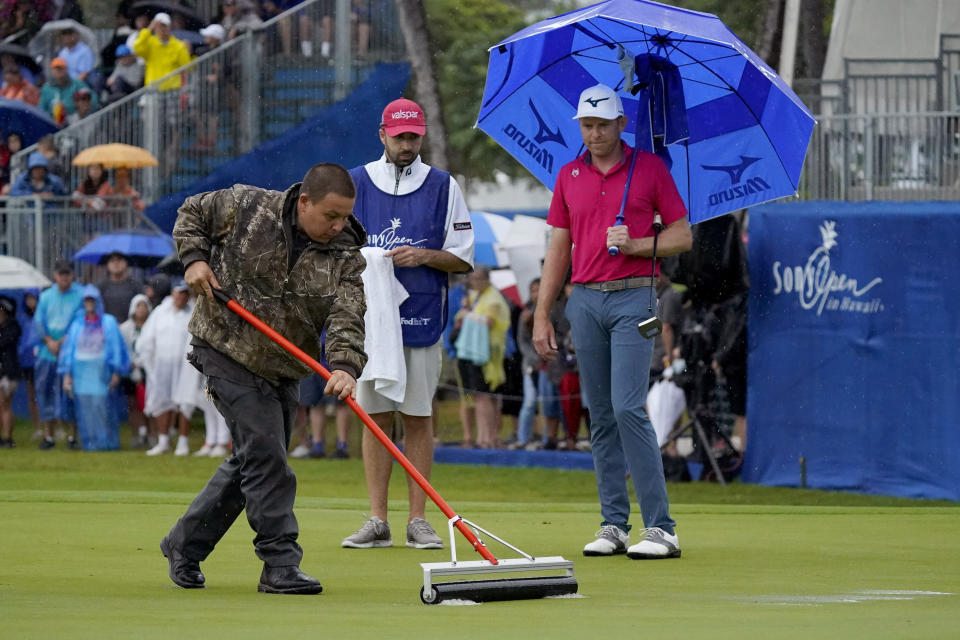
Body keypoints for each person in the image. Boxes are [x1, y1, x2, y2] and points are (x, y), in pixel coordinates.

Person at [160, 162, 366, 594]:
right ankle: (279, 563)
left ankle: (184, 542)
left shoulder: (347, 254)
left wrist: (345, 366)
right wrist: (194, 260)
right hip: (226, 348)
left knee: (255, 460)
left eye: (345, 215)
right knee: (268, 457)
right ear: (304, 201)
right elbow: (190, 213)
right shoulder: (246, 204)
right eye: (331, 215)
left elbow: (349, 314)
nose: (339, 225)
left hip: (284, 367)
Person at [533, 84, 692, 560]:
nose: (595, 133)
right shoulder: (569, 174)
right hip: (584, 301)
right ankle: (614, 523)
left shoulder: (649, 168)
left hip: (635, 300)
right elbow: (559, 248)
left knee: (627, 408)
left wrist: (640, 244)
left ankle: (661, 527)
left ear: (623, 124)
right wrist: (543, 314)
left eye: (603, 124)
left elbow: (682, 235)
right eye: (587, 124)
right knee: (599, 414)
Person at [341, 98, 473, 551]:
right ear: (382, 134)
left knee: (418, 417)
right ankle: (378, 518)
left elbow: (463, 256)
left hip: (421, 317)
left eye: (413, 136)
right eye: (399, 136)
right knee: (375, 419)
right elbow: (337, 249)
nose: (406, 143)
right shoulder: (356, 182)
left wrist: (425, 256)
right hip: (371, 324)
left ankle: (418, 519)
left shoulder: (443, 185)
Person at [59, 286, 130, 451]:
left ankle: (106, 442)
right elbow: (69, 350)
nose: (89, 304)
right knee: (85, 411)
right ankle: (90, 442)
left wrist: (116, 371)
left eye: (92, 300)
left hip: (100, 375)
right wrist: (67, 374)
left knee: (102, 409)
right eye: (86, 300)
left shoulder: (108, 322)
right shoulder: (77, 324)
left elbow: (116, 347)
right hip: (81, 376)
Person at [452, 267, 510, 449]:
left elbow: (489, 321)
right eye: (472, 279)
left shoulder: (493, 298)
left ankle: (487, 437)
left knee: (484, 396)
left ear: (486, 279)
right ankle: (486, 436)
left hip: (484, 353)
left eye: (477, 279)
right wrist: (467, 309)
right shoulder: (476, 296)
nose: (474, 282)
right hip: (475, 350)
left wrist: (467, 314)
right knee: (482, 396)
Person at [33, 259, 84, 450]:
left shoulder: (80, 295)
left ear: (72, 275)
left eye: (67, 273)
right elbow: (39, 321)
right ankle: (49, 436)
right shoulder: (46, 296)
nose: (64, 277)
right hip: (48, 353)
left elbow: (79, 320)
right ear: (55, 276)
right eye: (61, 274)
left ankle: (73, 436)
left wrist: (63, 341)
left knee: (70, 394)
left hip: (70, 353)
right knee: (45, 392)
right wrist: (49, 341)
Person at [139, 279, 194, 456]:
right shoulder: (160, 313)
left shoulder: (192, 313)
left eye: (185, 293)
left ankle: (183, 443)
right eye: (178, 293)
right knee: (162, 401)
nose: (181, 297)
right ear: (172, 294)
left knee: (185, 402)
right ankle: (163, 441)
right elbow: (147, 339)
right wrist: (149, 362)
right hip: (162, 364)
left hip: (185, 366)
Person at [119, 293, 151, 448]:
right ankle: (137, 434)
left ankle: (151, 434)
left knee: (149, 404)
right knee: (132, 404)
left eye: (144, 306)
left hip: (148, 371)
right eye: (139, 306)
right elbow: (121, 349)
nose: (142, 310)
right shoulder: (125, 328)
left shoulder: (152, 326)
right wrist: (129, 363)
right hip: (130, 371)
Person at [38, 58, 96, 127]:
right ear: (52, 71)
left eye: (61, 68)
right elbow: (41, 109)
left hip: (75, 120)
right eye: (56, 69)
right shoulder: (46, 88)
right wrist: (52, 114)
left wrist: (83, 107)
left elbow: (93, 99)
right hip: (54, 123)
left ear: (66, 69)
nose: (58, 71)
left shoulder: (76, 83)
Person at [16, 290, 42, 441]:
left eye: (33, 298)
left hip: (41, 360)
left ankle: (53, 427)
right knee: (32, 395)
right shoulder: (23, 318)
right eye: (28, 299)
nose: (30, 301)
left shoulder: (42, 316)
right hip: (27, 362)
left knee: (46, 395)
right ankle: (38, 427)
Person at [95, 252, 145, 321]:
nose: (116, 263)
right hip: (108, 327)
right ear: (107, 264)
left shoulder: (135, 285)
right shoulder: (101, 286)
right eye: (112, 260)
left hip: (131, 327)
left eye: (119, 259)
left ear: (126, 262)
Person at [0, 296, 21, 448]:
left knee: (5, 404)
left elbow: (4, 344)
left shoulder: (12, 327)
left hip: (8, 372)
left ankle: (8, 437)